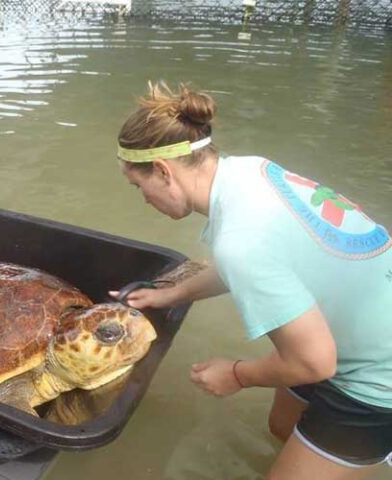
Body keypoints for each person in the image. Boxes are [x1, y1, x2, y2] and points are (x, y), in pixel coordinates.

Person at [111, 82, 392, 479]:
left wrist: (237, 374)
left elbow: (313, 360)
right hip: (352, 321)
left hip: (378, 372)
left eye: (139, 186)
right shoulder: (247, 171)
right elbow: (266, 259)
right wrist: (172, 294)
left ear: (163, 171)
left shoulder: (241, 241)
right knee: (282, 427)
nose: (144, 199)